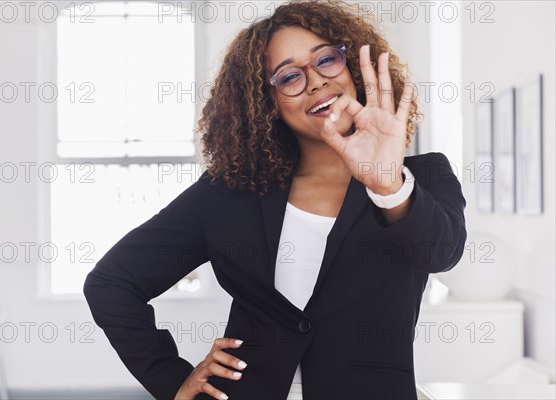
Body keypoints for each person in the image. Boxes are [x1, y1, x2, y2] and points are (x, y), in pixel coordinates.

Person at [83, 0, 467, 399]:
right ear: (268, 103)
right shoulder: (230, 191)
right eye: (288, 78)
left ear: (351, 68)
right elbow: (112, 282)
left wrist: (386, 183)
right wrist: (172, 378)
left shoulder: (422, 176)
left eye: (326, 60)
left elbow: (441, 254)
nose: (316, 81)